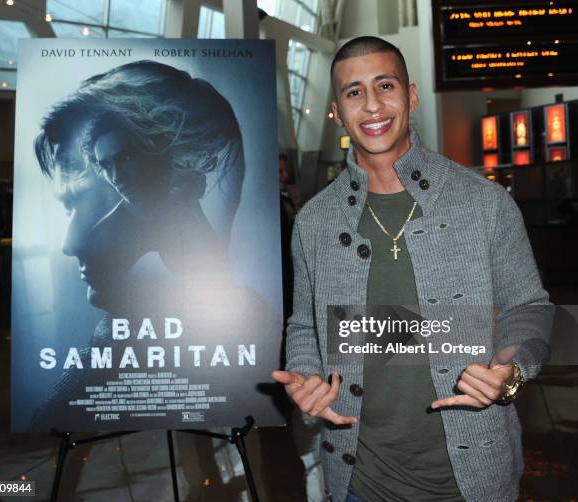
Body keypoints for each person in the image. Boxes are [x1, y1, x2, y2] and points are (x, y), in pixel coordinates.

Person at [273, 36, 552, 501]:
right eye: (354, 92)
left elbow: (530, 307)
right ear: (337, 114)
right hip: (360, 481)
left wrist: (511, 368)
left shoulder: (484, 204)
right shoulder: (315, 222)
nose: (373, 105)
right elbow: (306, 324)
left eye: (385, 85)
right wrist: (307, 377)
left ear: (412, 95)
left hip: (473, 479)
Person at [28, 61, 278, 431]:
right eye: (105, 166)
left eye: (126, 159)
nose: (72, 244)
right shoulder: (145, 206)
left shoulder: (168, 203)